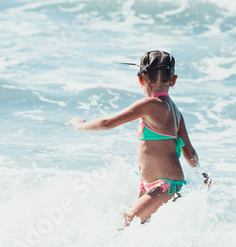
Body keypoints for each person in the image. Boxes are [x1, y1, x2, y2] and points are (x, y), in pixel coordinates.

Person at [66, 50, 209, 226]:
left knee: (125, 223)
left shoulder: (150, 104)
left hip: (164, 186)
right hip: (163, 183)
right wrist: (199, 173)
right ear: (173, 80)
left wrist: (80, 126)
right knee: (139, 230)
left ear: (141, 79)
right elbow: (190, 152)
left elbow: (106, 123)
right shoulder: (176, 113)